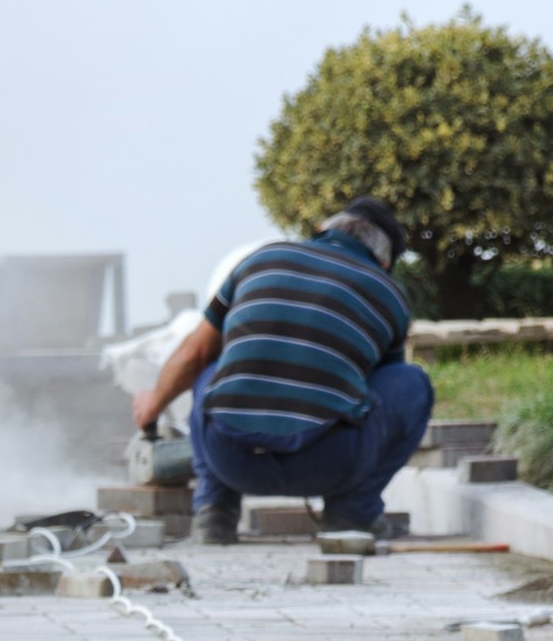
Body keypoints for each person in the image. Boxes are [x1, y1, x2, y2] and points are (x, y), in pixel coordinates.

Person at [132, 197, 433, 544]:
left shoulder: (260, 259)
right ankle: (351, 513)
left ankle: (214, 513)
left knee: (212, 364)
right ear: (384, 261)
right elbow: (384, 391)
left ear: (321, 230)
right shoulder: (390, 293)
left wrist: (151, 406)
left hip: (229, 459)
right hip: (330, 463)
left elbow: (192, 353)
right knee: (412, 383)